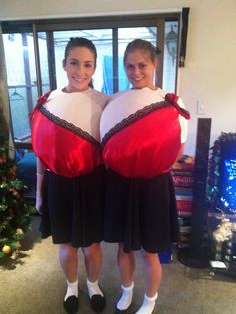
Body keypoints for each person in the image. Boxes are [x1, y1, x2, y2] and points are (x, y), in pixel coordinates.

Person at [100, 39, 190, 314]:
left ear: (154, 64)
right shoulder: (115, 99)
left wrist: (150, 165)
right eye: (129, 66)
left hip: (153, 185)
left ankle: (149, 300)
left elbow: (178, 149)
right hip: (121, 184)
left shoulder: (170, 102)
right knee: (124, 246)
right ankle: (127, 290)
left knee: (149, 250)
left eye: (142, 65)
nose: (135, 72)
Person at [30, 37, 109, 314]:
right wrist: (39, 192)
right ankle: (72, 286)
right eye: (74, 63)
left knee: (92, 245)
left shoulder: (105, 103)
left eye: (88, 65)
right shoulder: (48, 101)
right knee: (66, 244)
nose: (81, 71)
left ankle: (94, 285)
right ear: (64, 64)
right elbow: (41, 153)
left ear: (95, 68)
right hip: (58, 183)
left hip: (93, 183)